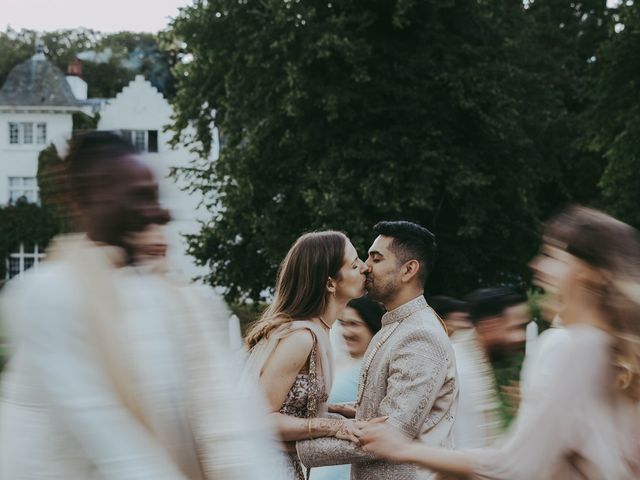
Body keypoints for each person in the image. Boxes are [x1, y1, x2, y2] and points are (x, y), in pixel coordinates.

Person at [0, 131, 280, 480]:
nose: (159, 211)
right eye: (139, 196)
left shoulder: (175, 300)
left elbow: (229, 424)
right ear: (88, 200)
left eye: (156, 195)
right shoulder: (47, 293)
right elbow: (109, 434)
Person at [361, 206, 640, 479]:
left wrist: (403, 449)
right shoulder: (613, 349)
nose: (537, 266)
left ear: (588, 272)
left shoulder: (577, 347)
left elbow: (516, 467)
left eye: (552, 256)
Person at [296, 221, 458, 479]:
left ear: (408, 270)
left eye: (376, 258)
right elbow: (387, 409)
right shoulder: (397, 325)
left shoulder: (421, 335)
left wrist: (296, 445)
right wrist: (336, 412)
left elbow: (391, 433)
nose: (365, 267)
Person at [241, 231, 380, 480]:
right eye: (354, 263)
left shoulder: (321, 332)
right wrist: (336, 426)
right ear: (330, 283)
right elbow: (260, 419)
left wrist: (343, 410)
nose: (365, 268)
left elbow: (294, 407)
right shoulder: (300, 337)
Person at [313, 296, 385, 480]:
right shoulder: (340, 363)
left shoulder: (374, 368)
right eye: (343, 323)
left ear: (371, 325)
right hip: (326, 464)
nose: (346, 331)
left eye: (354, 324)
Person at [451, 287, 528, 448]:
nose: (522, 337)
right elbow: (473, 455)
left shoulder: (473, 361)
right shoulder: (461, 372)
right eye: (516, 328)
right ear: (489, 326)